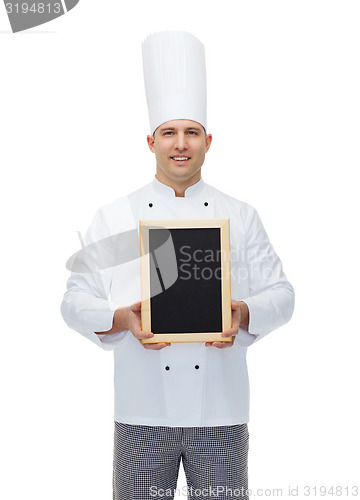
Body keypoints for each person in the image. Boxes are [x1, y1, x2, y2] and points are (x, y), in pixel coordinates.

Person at [61, 31, 295, 500]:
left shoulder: (241, 215)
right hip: (141, 411)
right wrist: (122, 318)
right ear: (150, 141)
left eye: (191, 132)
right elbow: (73, 300)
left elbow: (283, 295)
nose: (180, 144)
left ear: (209, 140)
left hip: (222, 413)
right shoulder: (116, 216)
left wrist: (241, 312)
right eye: (169, 132)